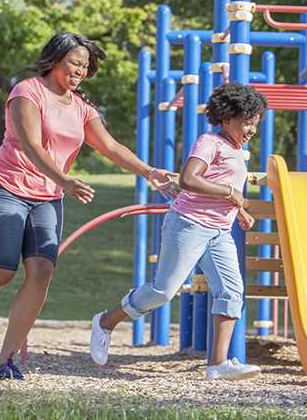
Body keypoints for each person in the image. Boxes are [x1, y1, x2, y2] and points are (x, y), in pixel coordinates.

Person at [0, 33, 176, 380]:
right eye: (75, 63)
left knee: (41, 273)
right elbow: (30, 145)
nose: (80, 71)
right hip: (6, 188)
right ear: (56, 60)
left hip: (47, 198)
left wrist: (149, 172)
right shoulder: (27, 92)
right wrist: (65, 179)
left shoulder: (82, 108)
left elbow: (110, 146)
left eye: (86, 66)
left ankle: (4, 361)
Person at [88, 82, 267, 380]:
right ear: (226, 118)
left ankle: (218, 364)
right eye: (247, 123)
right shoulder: (209, 142)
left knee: (231, 291)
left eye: (255, 124)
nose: (252, 130)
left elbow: (226, 191)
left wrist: (240, 212)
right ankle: (105, 322)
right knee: (162, 292)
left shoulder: (236, 150)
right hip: (189, 225)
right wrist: (230, 194)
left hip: (220, 232)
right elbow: (188, 179)